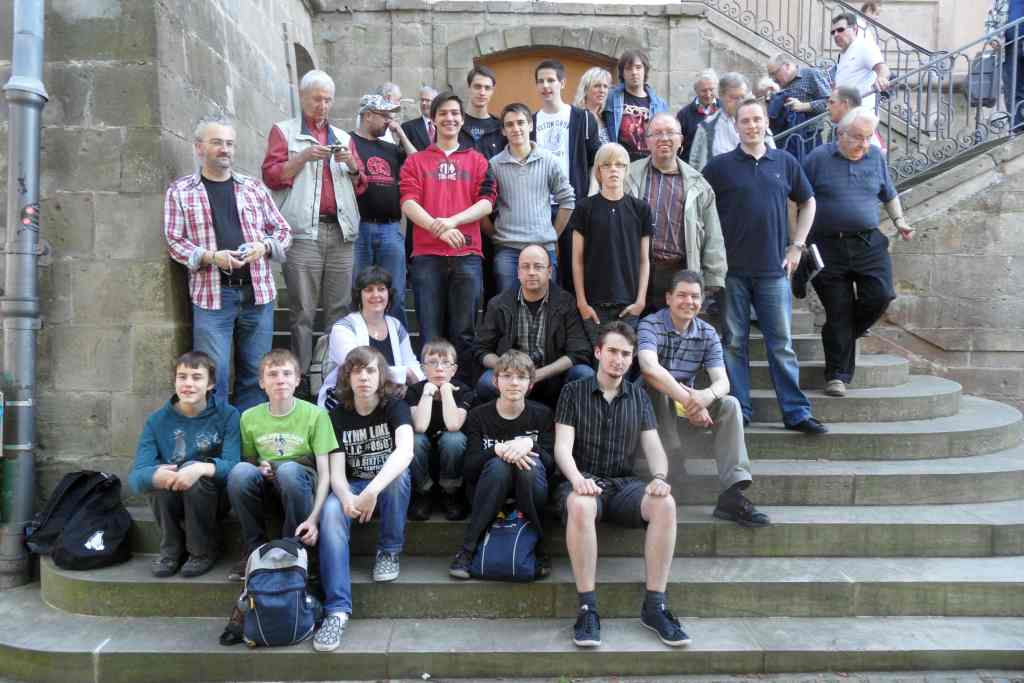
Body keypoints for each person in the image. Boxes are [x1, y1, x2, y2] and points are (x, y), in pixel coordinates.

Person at [554, 321, 689, 649]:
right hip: (582, 479)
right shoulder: (573, 392)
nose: (619, 359)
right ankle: (587, 609)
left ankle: (655, 607)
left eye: (626, 354)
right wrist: (577, 479)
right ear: (598, 352)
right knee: (581, 504)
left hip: (623, 485)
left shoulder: (639, 396)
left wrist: (660, 478)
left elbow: (654, 448)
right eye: (612, 351)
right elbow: (562, 448)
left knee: (665, 505)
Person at [702, 98, 828, 434]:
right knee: (733, 344)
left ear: (766, 123)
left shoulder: (785, 162)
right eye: (745, 121)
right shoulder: (719, 167)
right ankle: (740, 411)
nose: (752, 125)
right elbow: (700, 207)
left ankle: (796, 413)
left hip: (774, 271)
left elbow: (809, 201)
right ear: (736, 126)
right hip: (731, 273)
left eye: (757, 119)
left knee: (781, 345)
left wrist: (797, 245)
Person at [166, 113, 292, 410]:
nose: (225, 149)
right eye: (217, 143)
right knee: (214, 375)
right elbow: (174, 241)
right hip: (212, 296)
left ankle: (248, 435)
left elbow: (283, 231)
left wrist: (264, 246)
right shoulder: (180, 191)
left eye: (230, 144)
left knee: (255, 375)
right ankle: (219, 437)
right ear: (199, 147)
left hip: (258, 293)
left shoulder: (254, 188)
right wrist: (210, 257)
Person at [638, 270, 769, 527]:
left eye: (695, 296)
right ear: (668, 298)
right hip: (650, 414)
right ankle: (673, 463)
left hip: (686, 408)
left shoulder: (707, 333)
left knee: (730, 403)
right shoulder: (650, 324)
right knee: (657, 385)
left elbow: (723, 383)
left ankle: (732, 492)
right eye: (682, 295)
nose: (689, 301)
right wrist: (692, 403)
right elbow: (649, 368)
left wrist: (706, 396)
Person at [262, 70, 363, 400]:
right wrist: (303, 157)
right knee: (302, 311)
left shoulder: (343, 137)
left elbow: (361, 183)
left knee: (339, 310)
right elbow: (272, 176)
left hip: (341, 232)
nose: (323, 105)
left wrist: (351, 164)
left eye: (328, 100)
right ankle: (302, 377)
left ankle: (333, 375)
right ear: (303, 98)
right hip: (303, 232)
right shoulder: (284, 131)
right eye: (317, 99)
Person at [802, 107, 914, 397]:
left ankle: (841, 332)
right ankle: (837, 377)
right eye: (858, 137)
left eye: (868, 137)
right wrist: (797, 240)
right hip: (827, 245)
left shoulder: (875, 156)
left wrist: (899, 221)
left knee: (881, 294)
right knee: (838, 310)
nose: (864, 144)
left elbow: (889, 193)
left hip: (868, 243)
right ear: (840, 134)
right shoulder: (817, 158)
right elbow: (798, 198)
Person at [314, 346, 414, 652]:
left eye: (370, 370)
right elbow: (336, 473)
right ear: (347, 377)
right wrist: (346, 497)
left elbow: (405, 452)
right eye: (357, 371)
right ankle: (337, 611)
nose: (364, 377)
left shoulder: (395, 406)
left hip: (383, 485)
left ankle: (388, 550)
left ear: (381, 376)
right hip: (353, 485)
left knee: (398, 476)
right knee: (332, 510)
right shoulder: (336, 415)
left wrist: (372, 491)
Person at [400, 91, 497, 380]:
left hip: (467, 255)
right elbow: (408, 203)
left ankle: (462, 391)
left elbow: (487, 202)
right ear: (433, 119)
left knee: (464, 332)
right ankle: (431, 392)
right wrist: (438, 229)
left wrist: (452, 221)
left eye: (455, 113)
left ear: (462, 120)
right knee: (430, 332)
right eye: (442, 113)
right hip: (427, 256)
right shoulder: (416, 161)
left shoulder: (478, 160)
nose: (449, 118)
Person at [226, 349, 337, 580]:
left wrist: (314, 519)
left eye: (287, 374)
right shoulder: (249, 417)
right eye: (272, 374)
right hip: (269, 488)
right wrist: (260, 468)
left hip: (301, 486)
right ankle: (255, 549)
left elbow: (325, 474)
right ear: (261, 382)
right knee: (239, 472)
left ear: (297, 380)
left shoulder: (316, 415)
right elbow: (250, 463)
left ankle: (296, 548)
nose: (280, 380)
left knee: (288, 470)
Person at [130, 351, 241, 578]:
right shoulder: (157, 421)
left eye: (197, 377)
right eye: (182, 377)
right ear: (175, 381)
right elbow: (136, 477)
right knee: (156, 479)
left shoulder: (228, 415)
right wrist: (155, 475)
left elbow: (234, 466)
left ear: (210, 384)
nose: (188, 384)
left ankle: (202, 550)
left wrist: (199, 468)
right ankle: (171, 550)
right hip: (173, 497)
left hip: (212, 499)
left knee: (194, 473)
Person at [449, 350, 555, 580]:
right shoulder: (478, 416)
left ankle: (538, 546)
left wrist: (530, 444)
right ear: (495, 381)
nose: (514, 382)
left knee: (529, 467)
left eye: (521, 377)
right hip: (488, 489)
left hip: (530, 490)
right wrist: (496, 450)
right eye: (507, 376)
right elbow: (469, 470)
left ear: (530, 384)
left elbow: (550, 467)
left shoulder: (543, 415)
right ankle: (468, 550)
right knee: (499, 467)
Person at [625, 113, 727, 312]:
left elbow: (713, 234)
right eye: (657, 133)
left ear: (681, 140)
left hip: (678, 274)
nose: (664, 138)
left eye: (670, 133)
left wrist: (714, 276)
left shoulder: (699, 185)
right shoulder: (628, 175)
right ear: (647, 141)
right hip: (634, 270)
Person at [475, 245, 594, 408]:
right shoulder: (498, 304)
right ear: (518, 272)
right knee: (486, 383)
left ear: (549, 271)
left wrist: (538, 374)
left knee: (585, 375)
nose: (531, 272)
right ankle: (510, 421)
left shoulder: (566, 303)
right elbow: (482, 349)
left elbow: (579, 352)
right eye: (525, 267)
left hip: (553, 378)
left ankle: (563, 420)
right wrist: (512, 370)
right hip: (514, 378)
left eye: (538, 267)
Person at [570, 143, 652, 346]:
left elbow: (644, 260)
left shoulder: (641, 209)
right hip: (594, 304)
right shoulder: (584, 208)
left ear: (627, 169)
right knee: (599, 357)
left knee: (623, 358)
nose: (613, 169)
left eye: (619, 164)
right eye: (606, 165)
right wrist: (582, 302)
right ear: (598, 171)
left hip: (629, 303)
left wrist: (640, 301)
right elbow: (577, 260)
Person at [488, 102, 575, 291]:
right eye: (509, 124)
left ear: (530, 125)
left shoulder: (548, 160)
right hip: (508, 249)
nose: (516, 128)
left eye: (521, 122)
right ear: (503, 131)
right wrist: (494, 234)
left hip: (543, 247)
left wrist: (553, 235)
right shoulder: (494, 165)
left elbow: (567, 200)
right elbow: (482, 204)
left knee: (546, 304)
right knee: (507, 304)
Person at [533, 59, 603, 293]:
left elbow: (596, 161)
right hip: (540, 207)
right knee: (541, 268)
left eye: (551, 80)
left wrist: (590, 198)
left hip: (573, 205)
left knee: (574, 268)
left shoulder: (583, 118)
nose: (546, 85)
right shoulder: (531, 121)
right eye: (541, 81)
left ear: (562, 83)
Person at [349, 93, 418, 327]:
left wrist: (401, 134)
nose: (389, 121)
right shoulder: (349, 142)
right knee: (357, 292)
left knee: (395, 293)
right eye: (385, 116)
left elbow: (418, 163)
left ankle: (397, 343)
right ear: (368, 115)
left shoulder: (390, 148)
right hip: (358, 229)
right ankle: (360, 343)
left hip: (391, 228)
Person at [317, 265, 424, 407]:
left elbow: (411, 363)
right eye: (369, 290)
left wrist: (419, 384)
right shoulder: (343, 327)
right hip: (349, 399)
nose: (376, 295)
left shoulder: (396, 325)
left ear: (389, 293)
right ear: (359, 295)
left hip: (389, 398)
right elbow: (357, 367)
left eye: (381, 289)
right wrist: (404, 374)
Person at [405, 338, 476, 521]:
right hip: (423, 454)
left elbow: (453, 425)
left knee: (454, 438)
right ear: (422, 368)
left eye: (446, 363)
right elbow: (420, 426)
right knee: (414, 439)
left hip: (452, 456)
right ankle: (423, 492)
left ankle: (450, 492)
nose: (439, 368)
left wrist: (445, 391)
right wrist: (428, 392)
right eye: (432, 363)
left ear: (454, 369)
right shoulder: (414, 391)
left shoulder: (463, 390)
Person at [689, 72, 776, 172]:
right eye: (734, 98)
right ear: (720, 96)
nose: (739, 102)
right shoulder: (707, 127)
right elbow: (696, 165)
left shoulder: (757, 123)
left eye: (742, 97)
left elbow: (773, 158)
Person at [606, 49, 669, 161]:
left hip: (649, 162)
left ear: (645, 70)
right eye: (628, 68)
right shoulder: (611, 98)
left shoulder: (660, 104)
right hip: (620, 162)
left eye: (638, 67)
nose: (634, 72)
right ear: (622, 73)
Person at [831, 12, 890, 110]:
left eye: (840, 30)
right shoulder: (842, 54)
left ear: (855, 29)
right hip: (845, 111)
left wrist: (881, 78)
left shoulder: (864, 46)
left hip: (861, 111)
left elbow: (882, 68)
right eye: (833, 32)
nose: (836, 34)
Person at [987, 0, 1024, 131]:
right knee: (1011, 88)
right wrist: (992, 38)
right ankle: (1017, 128)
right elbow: (990, 21)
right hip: (1008, 47)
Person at [459, 65, 506, 160]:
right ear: (468, 88)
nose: (482, 93)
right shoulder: (456, 124)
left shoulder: (500, 128)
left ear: (492, 91)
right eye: (477, 87)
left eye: (487, 88)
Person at [676, 69, 719, 163]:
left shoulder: (724, 110)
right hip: (692, 167)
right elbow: (677, 146)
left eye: (711, 89)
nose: (708, 94)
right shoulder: (684, 114)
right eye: (704, 91)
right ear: (696, 90)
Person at [573, 66, 614, 145]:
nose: (602, 90)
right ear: (585, 89)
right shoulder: (577, 117)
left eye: (605, 86)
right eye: (597, 86)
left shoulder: (606, 117)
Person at [401, 85, 439, 151]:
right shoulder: (408, 127)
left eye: (427, 100)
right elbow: (402, 153)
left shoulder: (444, 125)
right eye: (422, 100)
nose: (423, 103)